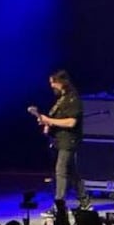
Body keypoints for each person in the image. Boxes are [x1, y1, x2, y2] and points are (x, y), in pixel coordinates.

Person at [31, 70, 91, 215]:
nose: (51, 85)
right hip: (59, 139)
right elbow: (56, 119)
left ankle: (59, 206)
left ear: (62, 82)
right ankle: (85, 202)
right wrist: (46, 123)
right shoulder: (61, 100)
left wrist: (49, 120)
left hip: (68, 140)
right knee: (71, 172)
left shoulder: (73, 99)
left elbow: (71, 122)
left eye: (53, 82)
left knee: (61, 171)